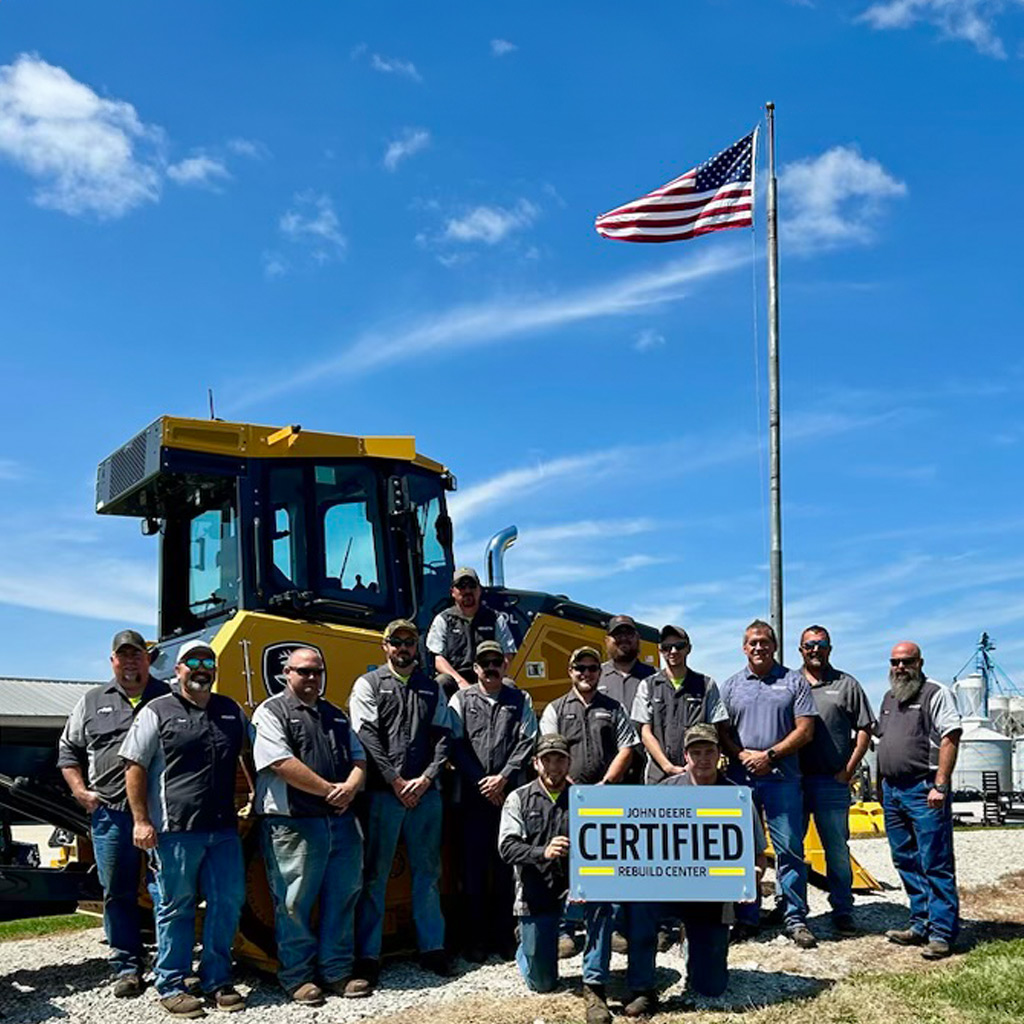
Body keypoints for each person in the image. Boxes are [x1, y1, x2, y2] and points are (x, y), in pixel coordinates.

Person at [120, 640, 252, 1018]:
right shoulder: (156, 711)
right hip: (174, 831)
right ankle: (172, 983)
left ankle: (217, 979)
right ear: (177, 670)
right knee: (176, 907)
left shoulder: (230, 711)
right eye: (192, 661)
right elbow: (135, 766)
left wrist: (257, 797)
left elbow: (250, 756)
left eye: (208, 661)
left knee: (227, 903)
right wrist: (141, 820)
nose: (201, 667)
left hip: (224, 830)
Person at [252, 646, 369, 1005]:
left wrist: (351, 786)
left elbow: (359, 757)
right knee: (294, 902)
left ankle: (336, 972)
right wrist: (329, 791)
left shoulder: (334, 714)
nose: (312, 677)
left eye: (317, 671)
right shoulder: (270, 711)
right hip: (293, 824)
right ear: (286, 673)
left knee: (342, 898)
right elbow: (280, 762)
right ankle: (297, 977)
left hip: (340, 821)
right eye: (303, 671)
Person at [623, 724, 768, 1015]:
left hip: (711, 896)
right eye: (696, 753)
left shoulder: (737, 797)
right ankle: (643, 987)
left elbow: (758, 857)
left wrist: (751, 877)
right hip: (666, 890)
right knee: (637, 906)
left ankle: (693, 946)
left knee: (711, 987)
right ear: (686, 756)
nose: (703, 759)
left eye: (709, 752)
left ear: (719, 755)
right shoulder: (663, 791)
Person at [57, 629, 170, 998]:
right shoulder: (91, 701)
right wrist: (79, 791)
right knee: (117, 893)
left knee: (166, 890)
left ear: (148, 658)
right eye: (122, 655)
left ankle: (171, 966)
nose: (130, 661)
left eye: (136, 654)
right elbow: (68, 750)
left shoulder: (169, 696)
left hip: (163, 814)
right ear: (112, 661)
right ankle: (127, 967)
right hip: (111, 814)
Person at [348, 619, 453, 991]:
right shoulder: (369, 684)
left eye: (410, 642)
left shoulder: (430, 688)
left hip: (425, 794)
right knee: (375, 875)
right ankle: (368, 956)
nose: (403, 648)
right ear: (385, 646)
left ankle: (433, 948)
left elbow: (444, 736)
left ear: (417, 646)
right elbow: (366, 735)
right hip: (383, 794)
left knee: (428, 873)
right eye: (397, 642)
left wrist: (425, 779)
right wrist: (394, 779)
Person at [498, 734, 615, 1024]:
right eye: (547, 760)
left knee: (602, 904)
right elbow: (506, 847)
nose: (554, 766)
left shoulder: (584, 797)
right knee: (543, 984)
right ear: (536, 763)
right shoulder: (518, 798)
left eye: (560, 759)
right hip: (536, 893)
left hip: (576, 891)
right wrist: (542, 851)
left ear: (568, 762)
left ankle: (594, 984)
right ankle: (525, 944)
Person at [719, 619, 818, 947]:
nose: (758, 647)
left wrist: (770, 756)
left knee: (789, 848)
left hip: (782, 779)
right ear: (744, 648)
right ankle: (746, 916)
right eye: (752, 642)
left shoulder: (794, 682)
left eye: (764, 641)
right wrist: (741, 754)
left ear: (775, 646)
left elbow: (805, 730)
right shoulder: (731, 686)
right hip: (740, 780)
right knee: (742, 849)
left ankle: (794, 916)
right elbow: (722, 732)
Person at [540, 646, 637, 958]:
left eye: (592, 668)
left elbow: (626, 748)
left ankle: (612, 928)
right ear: (570, 671)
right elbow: (547, 751)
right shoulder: (555, 708)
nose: (586, 673)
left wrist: (606, 783)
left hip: (607, 796)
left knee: (610, 864)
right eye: (579, 667)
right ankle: (565, 930)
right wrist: (570, 785)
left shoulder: (613, 707)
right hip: (566, 798)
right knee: (565, 863)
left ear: (599, 672)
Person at [448, 640, 538, 962]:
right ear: (475, 668)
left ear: (504, 665)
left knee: (505, 871)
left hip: (508, 798)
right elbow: (454, 744)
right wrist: (481, 782)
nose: (490, 668)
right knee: (472, 873)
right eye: (484, 663)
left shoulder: (520, 698)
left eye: (496, 662)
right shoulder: (461, 699)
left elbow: (528, 740)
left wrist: (503, 777)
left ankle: (504, 937)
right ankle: (475, 940)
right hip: (473, 798)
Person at [876, 642, 962, 959]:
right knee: (905, 859)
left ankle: (942, 932)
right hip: (893, 790)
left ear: (920, 661)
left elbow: (951, 735)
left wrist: (940, 784)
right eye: (895, 662)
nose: (900, 667)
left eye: (907, 661)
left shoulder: (935, 692)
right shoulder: (889, 698)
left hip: (924, 789)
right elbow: (882, 740)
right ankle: (920, 922)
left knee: (935, 860)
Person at [797, 625, 876, 936]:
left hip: (832, 781)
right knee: (790, 849)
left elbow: (865, 730)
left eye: (821, 644)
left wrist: (849, 770)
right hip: (795, 782)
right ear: (800, 649)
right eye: (809, 645)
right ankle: (791, 909)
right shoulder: (789, 682)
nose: (814, 649)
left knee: (837, 850)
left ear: (830, 648)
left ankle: (842, 908)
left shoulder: (846, 684)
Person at [631, 625, 729, 784]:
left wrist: (693, 763)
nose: (673, 651)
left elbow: (716, 729)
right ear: (660, 650)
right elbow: (645, 732)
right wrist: (667, 766)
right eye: (667, 647)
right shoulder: (647, 685)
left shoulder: (707, 684)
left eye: (679, 646)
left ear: (688, 648)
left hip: (697, 775)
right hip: (658, 775)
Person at [426, 567, 516, 695]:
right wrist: (460, 682)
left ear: (479, 590)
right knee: (442, 682)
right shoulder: (443, 619)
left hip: (487, 675)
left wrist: (491, 681)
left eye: (472, 586)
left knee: (509, 685)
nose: (467, 590)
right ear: (453, 592)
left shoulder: (495, 618)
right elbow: (438, 659)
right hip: (456, 679)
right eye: (461, 587)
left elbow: (507, 654)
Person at [598, 615, 654, 785]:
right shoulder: (594, 676)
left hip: (646, 774)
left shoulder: (654, 677)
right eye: (617, 635)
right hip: (606, 776)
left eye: (628, 634)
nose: (623, 639)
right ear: (607, 640)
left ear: (638, 638)